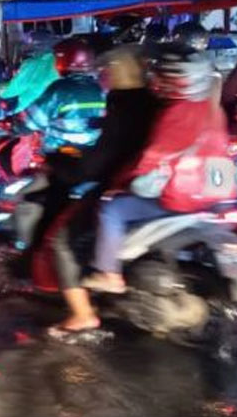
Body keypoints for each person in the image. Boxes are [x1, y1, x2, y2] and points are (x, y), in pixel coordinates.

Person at [82, 46, 231, 296]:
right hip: (215, 195)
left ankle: (110, 274)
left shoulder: (173, 113)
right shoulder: (211, 109)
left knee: (111, 209)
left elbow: (148, 160)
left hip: (181, 199)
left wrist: (118, 185)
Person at [36, 46, 160, 336]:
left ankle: (82, 314)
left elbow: (97, 163)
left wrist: (58, 162)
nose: (103, 76)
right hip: (151, 186)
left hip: (121, 185)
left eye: (108, 71)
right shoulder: (149, 102)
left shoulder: (121, 106)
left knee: (62, 242)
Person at [20, 38, 106, 154]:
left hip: (60, 149)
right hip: (93, 149)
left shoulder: (60, 89)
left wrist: (22, 126)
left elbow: (35, 120)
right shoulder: (100, 88)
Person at [0, 33, 59, 112]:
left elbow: (11, 90)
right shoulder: (58, 61)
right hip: (54, 112)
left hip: (30, 112)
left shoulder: (32, 64)